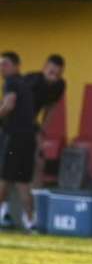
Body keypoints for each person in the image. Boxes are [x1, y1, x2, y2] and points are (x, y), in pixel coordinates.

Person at [0, 51, 38, 231]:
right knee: (23, 182)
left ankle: (2, 214)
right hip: (28, 137)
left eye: (5, 64)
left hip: (14, 137)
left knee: (4, 178)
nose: (1, 68)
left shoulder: (11, 82)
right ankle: (31, 222)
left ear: (16, 66)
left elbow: (8, 105)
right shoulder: (24, 84)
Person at [24, 54, 66, 186]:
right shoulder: (32, 80)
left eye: (57, 74)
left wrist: (42, 130)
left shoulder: (60, 85)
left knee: (39, 160)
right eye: (51, 72)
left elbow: (51, 108)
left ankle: (36, 194)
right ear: (44, 68)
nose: (54, 77)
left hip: (31, 122)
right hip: (14, 121)